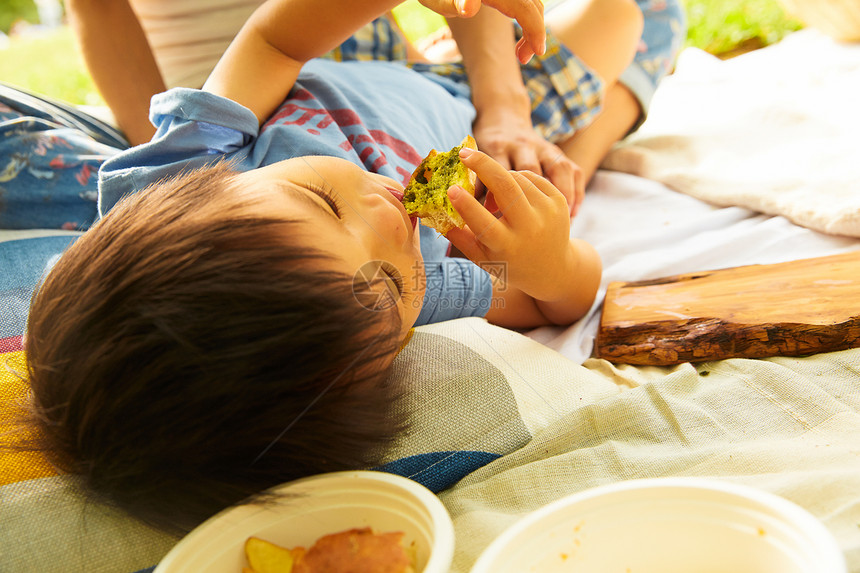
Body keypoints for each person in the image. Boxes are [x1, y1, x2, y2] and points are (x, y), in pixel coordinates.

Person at [19, 0, 656, 533]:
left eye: (319, 201)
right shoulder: (371, 320)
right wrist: (547, 260)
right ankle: (576, 150)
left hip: (348, 54)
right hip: (472, 115)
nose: (390, 223)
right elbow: (554, 301)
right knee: (629, 17)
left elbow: (274, 39)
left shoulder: (181, 175)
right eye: (389, 281)